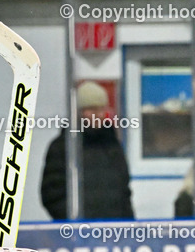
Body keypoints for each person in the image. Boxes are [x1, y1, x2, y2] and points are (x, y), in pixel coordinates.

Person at [40, 80, 134, 220]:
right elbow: (52, 194)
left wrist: (128, 226)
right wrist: (73, 223)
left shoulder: (112, 144)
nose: (99, 115)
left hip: (114, 232)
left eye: (102, 109)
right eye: (92, 109)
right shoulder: (62, 147)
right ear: (78, 112)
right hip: (77, 235)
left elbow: (124, 191)